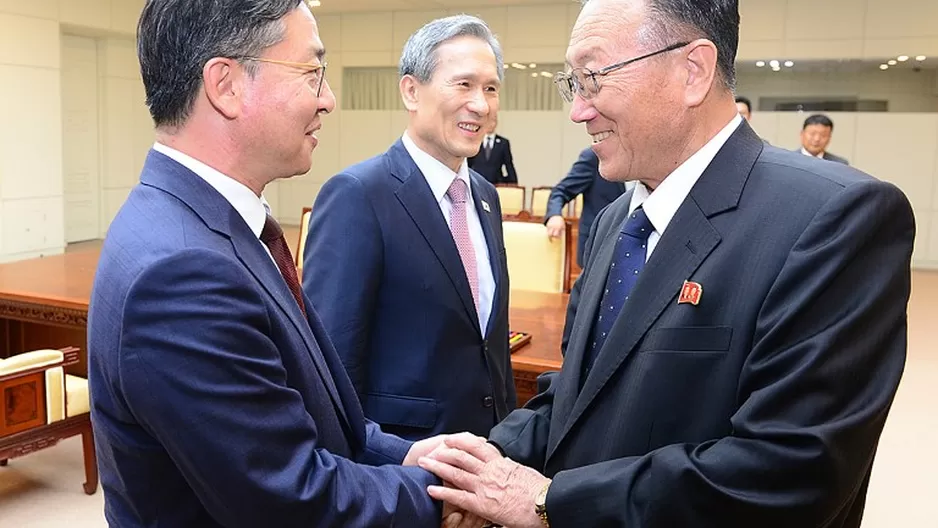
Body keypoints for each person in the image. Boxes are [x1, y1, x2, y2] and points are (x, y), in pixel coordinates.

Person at [417, 0, 914, 526]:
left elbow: (790, 471)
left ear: (692, 70)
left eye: (593, 79)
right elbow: (578, 397)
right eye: (574, 86)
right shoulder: (615, 221)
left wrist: (549, 503)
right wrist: (479, 465)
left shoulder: (833, 217)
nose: (578, 110)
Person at [87, 1, 475, 526]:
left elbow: (319, 418)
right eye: (312, 72)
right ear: (226, 85)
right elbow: (289, 498)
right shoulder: (182, 274)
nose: (329, 100)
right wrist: (444, 492)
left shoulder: (207, 226)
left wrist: (412, 456)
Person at [302, 15, 516, 442]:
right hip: (402, 466)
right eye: (464, 84)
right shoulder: (358, 195)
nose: (481, 104)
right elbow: (332, 368)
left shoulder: (486, 196)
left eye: (491, 88)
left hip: (489, 454)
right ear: (411, 90)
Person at [544, 146, 627, 266]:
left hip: (632, 247)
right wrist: (554, 215)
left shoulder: (648, 160)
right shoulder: (595, 156)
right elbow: (561, 191)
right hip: (597, 244)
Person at [468, 115, 519, 184]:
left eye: (492, 121)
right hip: (476, 182)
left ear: (496, 123)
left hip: (496, 183)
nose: (490, 125)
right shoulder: (475, 140)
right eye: (488, 121)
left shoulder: (503, 143)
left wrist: (513, 183)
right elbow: (468, 163)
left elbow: (509, 164)